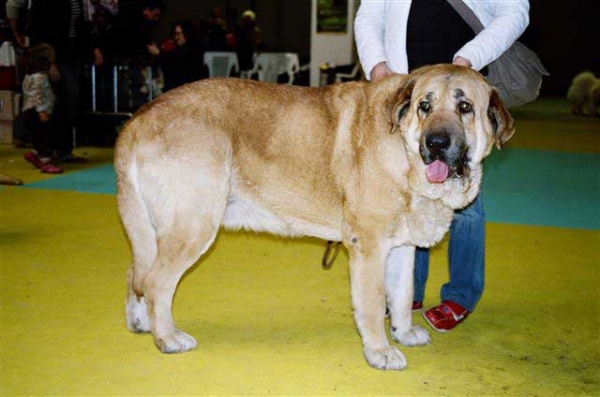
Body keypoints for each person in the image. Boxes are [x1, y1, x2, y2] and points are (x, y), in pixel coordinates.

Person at [354, 0, 529, 332]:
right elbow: (369, 15)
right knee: (409, 195)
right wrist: (377, 65)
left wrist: (469, 58)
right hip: (411, 91)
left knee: (467, 206)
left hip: (464, 90)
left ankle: (461, 295)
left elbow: (515, 11)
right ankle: (409, 293)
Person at [6, 0, 91, 164]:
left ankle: (59, 150)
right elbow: (39, 24)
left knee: (66, 100)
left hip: (69, 49)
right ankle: (42, 151)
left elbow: (79, 23)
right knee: (47, 104)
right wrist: (48, 61)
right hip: (50, 52)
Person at [21, 43, 63, 174]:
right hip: (37, 113)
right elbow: (37, 95)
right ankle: (45, 162)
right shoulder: (40, 78)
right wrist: (41, 111)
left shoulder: (28, 77)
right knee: (45, 138)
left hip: (30, 112)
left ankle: (34, 153)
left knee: (38, 138)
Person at [148, 20, 203, 92]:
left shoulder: (194, 51)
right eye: (175, 34)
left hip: (186, 93)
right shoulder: (176, 50)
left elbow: (178, 68)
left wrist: (159, 53)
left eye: (179, 34)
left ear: (187, 34)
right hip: (174, 92)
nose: (176, 37)